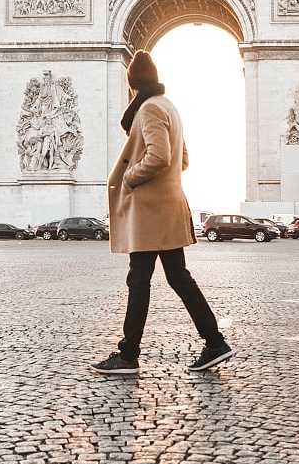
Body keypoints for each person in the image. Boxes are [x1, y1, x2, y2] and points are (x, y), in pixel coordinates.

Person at [91, 50, 234, 375]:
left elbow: (160, 157)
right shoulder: (169, 106)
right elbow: (182, 160)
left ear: (132, 83)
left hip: (150, 212)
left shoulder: (150, 108)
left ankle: (128, 355)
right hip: (167, 208)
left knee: (139, 279)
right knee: (176, 277)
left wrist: (130, 176)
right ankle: (214, 342)